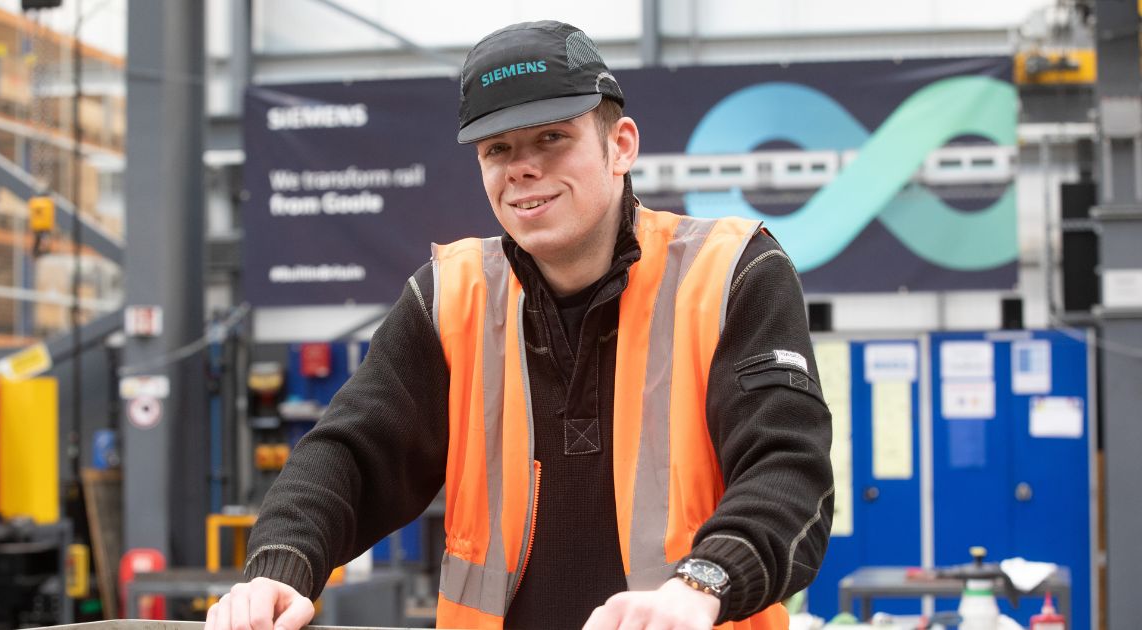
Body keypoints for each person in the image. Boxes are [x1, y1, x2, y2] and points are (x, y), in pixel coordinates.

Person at [207, 20, 833, 630]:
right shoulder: (449, 298)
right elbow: (350, 455)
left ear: (620, 146)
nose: (521, 168)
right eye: (497, 149)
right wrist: (281, 569)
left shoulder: (732, 273)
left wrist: (701, 585)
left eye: (552, 138)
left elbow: (786, 468)